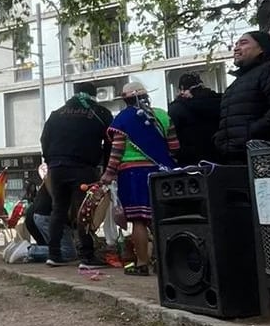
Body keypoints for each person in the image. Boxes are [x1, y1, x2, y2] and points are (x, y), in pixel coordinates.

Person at [100, 81, 179, 276]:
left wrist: (109, 173)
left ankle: (142, 263)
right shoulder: (162, 115)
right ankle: (166, 264)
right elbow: (174, 147)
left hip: (133, 174)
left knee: (139, 221)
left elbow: (116, 150)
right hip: (162, 171)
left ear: (126, 99)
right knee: (160, 219)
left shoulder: (123, 119)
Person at [39, 81, 114, 269]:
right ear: (94, 94)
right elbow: (110, 143)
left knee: (58, 209)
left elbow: (44, 139)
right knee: (84, 211)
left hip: (56, 168)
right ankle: (87, 256)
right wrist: (107, 169)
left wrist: (50, 161)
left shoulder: (56, 114)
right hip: (82, 168)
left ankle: (53, 254)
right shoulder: (100, 113)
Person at [213, 31, 270, 163]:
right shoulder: (237, 82)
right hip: (237, 159)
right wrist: (221, 139)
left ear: (262, 48)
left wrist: (251, 133)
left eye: (243, 43)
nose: (236, 48)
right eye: (236, 44)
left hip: (267, 158)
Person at [166, 73, 221, 166]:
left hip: (189, 163)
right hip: (218, 158)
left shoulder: (177, 108)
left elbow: (172, 136)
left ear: (182, 89)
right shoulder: (219, 101)